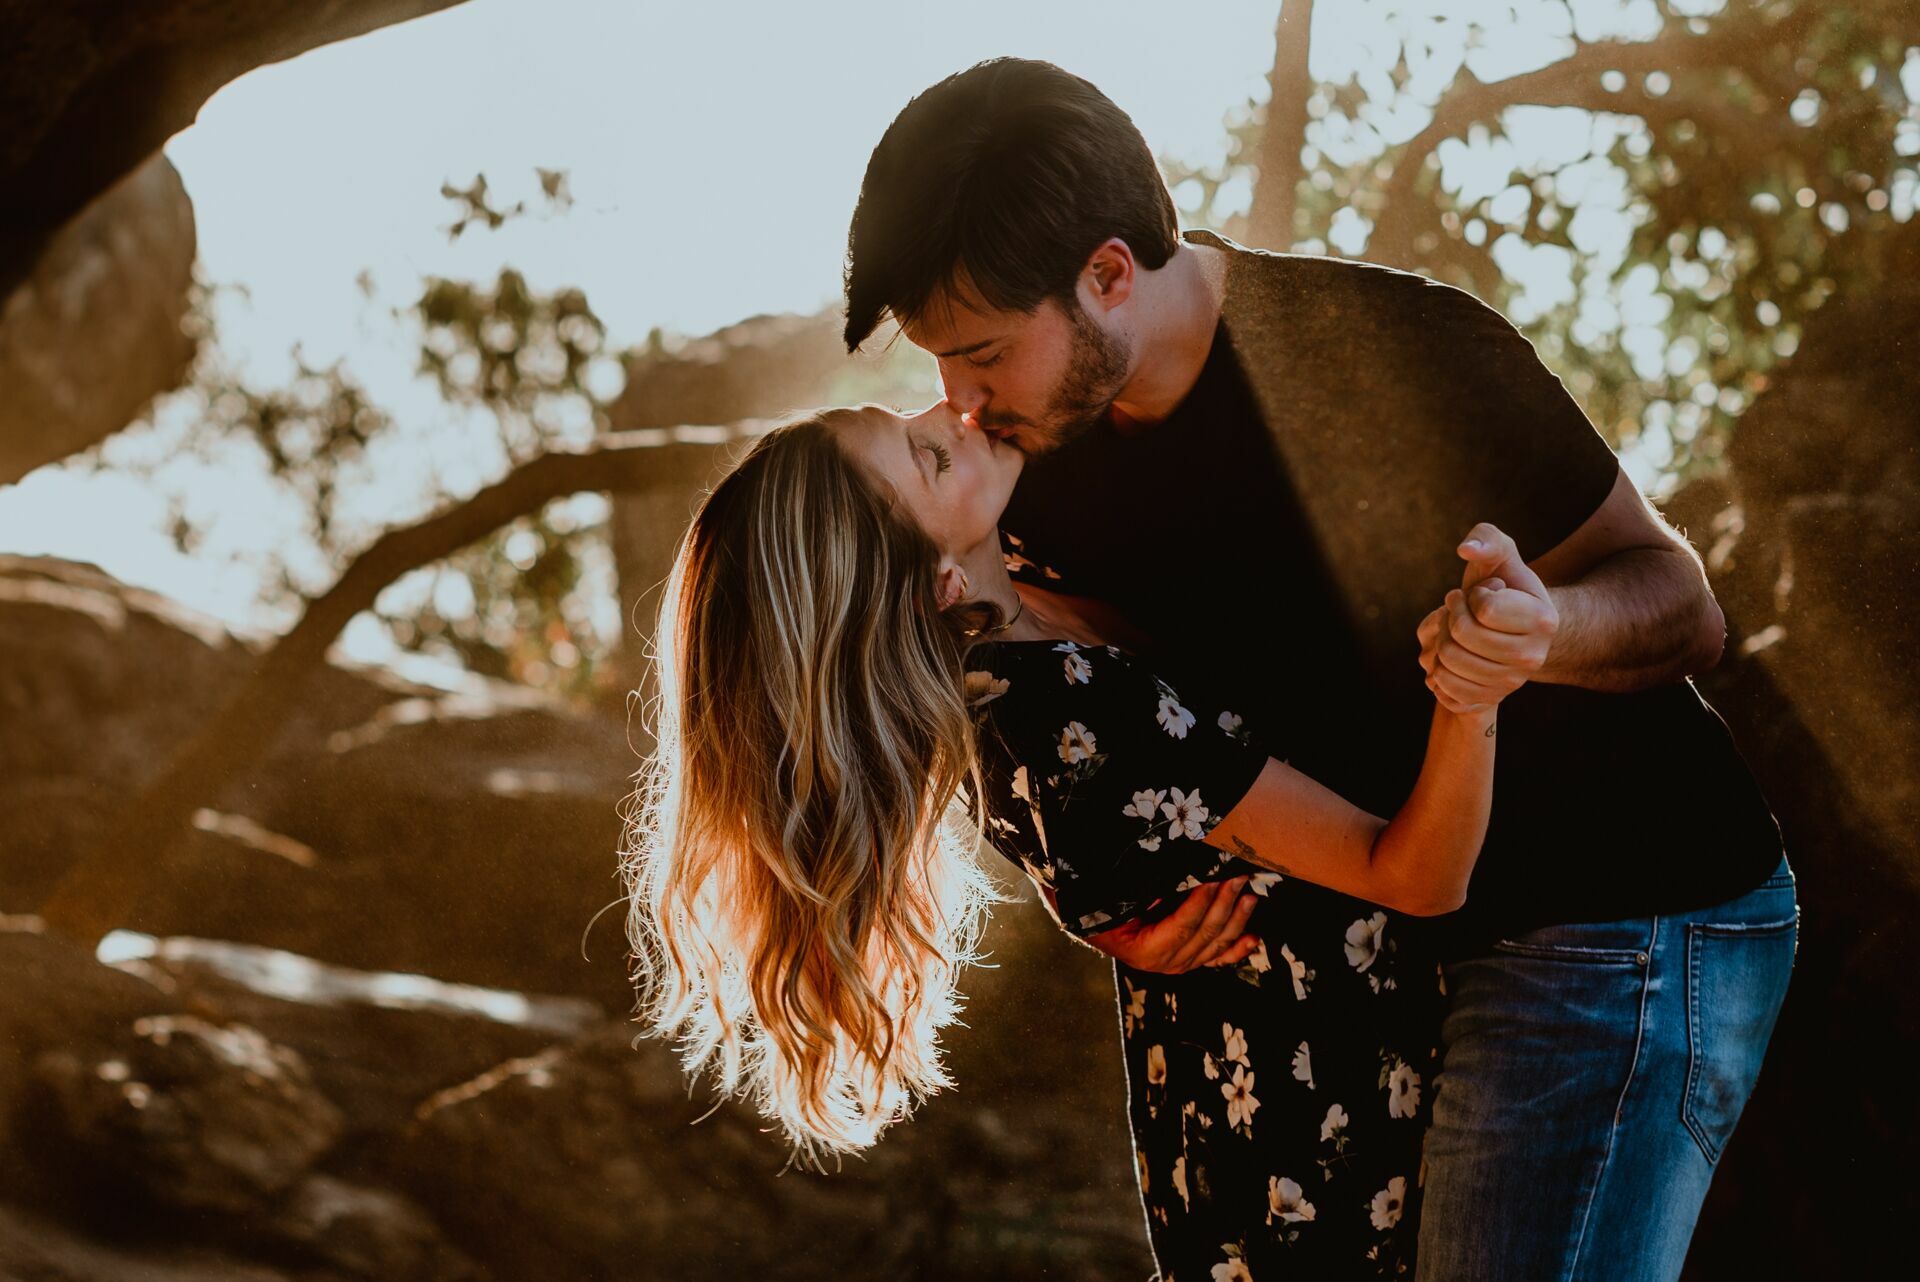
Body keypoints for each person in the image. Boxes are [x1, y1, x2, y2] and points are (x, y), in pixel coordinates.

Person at [839, 58, 1797, 1282]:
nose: (956, 403)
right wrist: (1113, 901)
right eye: (937, 364)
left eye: (978, 353)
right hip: (1380, 954)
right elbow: (1060, 690)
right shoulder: (1035, 459)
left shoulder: (1401, 351)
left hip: (1611, 910)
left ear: (1110, 275)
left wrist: (1538, 628)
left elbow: (1683, 606)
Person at [622, 401, 1532, 1276]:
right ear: (936, 585)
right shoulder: (1058, 706)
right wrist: (1476, 683)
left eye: (904, 415)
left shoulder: (1011, 590)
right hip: (1324, 1142)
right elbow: (1415, 874)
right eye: (926, 454)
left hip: (1290, 1109)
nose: (944, 413)